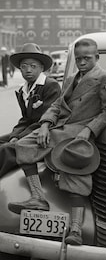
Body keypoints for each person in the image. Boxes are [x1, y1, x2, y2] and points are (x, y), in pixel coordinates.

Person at [8, 38, 106, 245]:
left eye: (87, 58)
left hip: (79, 133)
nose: (82, 62)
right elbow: (57, 104)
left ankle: (75, 231)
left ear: (97, 58)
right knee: (23, 145)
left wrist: (89, 131)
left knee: (75, 173)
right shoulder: (72, 78)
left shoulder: (104, 79)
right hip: (59, 129)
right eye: (79, 58)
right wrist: (45, 124)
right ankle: (38, 197)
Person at [0, 43, 61, 177]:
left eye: (33, 66)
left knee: (5, 150)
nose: (28, 70)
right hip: (29, 130)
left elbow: (46, 119)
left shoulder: (51, 86)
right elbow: (25, 119)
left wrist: (19, 138)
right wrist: (15, 135)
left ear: (41, 68)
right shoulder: (23, 89)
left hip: (43, 133)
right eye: (24, 66)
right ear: (19, 69)